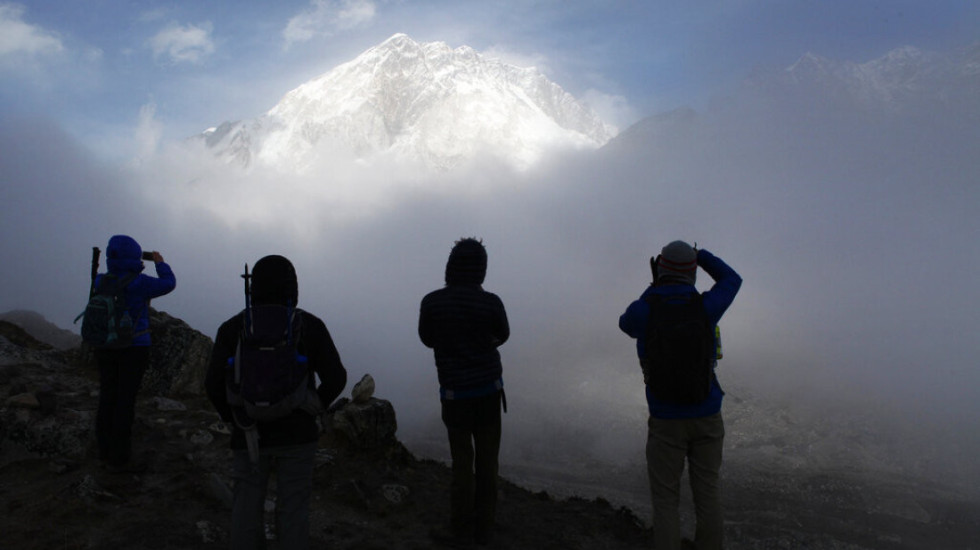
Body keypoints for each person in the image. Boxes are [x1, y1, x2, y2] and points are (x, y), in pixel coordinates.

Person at [205, 255, 347, 550]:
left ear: (253, 287)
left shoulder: (233, 328)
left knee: (245, 506)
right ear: (292, 287)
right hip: (298, 435)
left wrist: (234, 419)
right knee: (293, 508)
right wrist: (313, 405)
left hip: (248, 434)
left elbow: (212, 384)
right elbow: (337, 377)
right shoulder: (309, 325)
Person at [619, 241, 741, 550]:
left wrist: (655, 284)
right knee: (708, 496)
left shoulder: (643, 310)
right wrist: (701, 258)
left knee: (665, 501)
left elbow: (626, 324)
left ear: (661, 269)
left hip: (666, 421)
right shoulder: (706, 308)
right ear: (692, 273)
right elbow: (732, 279)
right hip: (707, 415)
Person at [419, 238, 510, 547]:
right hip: (488, 394)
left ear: (450, 267)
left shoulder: (432, 302)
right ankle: (484, 530)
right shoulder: (491, 302)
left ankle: (459, 528)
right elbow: (503, 335)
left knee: (461, 464)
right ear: (481, 270)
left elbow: (427, 338)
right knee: (488, 464)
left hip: (454, 396)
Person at [94, 234, 176, 472]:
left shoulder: (100, 281)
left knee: (107, 396)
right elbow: (169, 283)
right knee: (125, 400)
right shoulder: (140, 283)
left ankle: (103, 449)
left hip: (105, 347)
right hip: (134, 347)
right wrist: (160, 262)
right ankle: (120, 456)